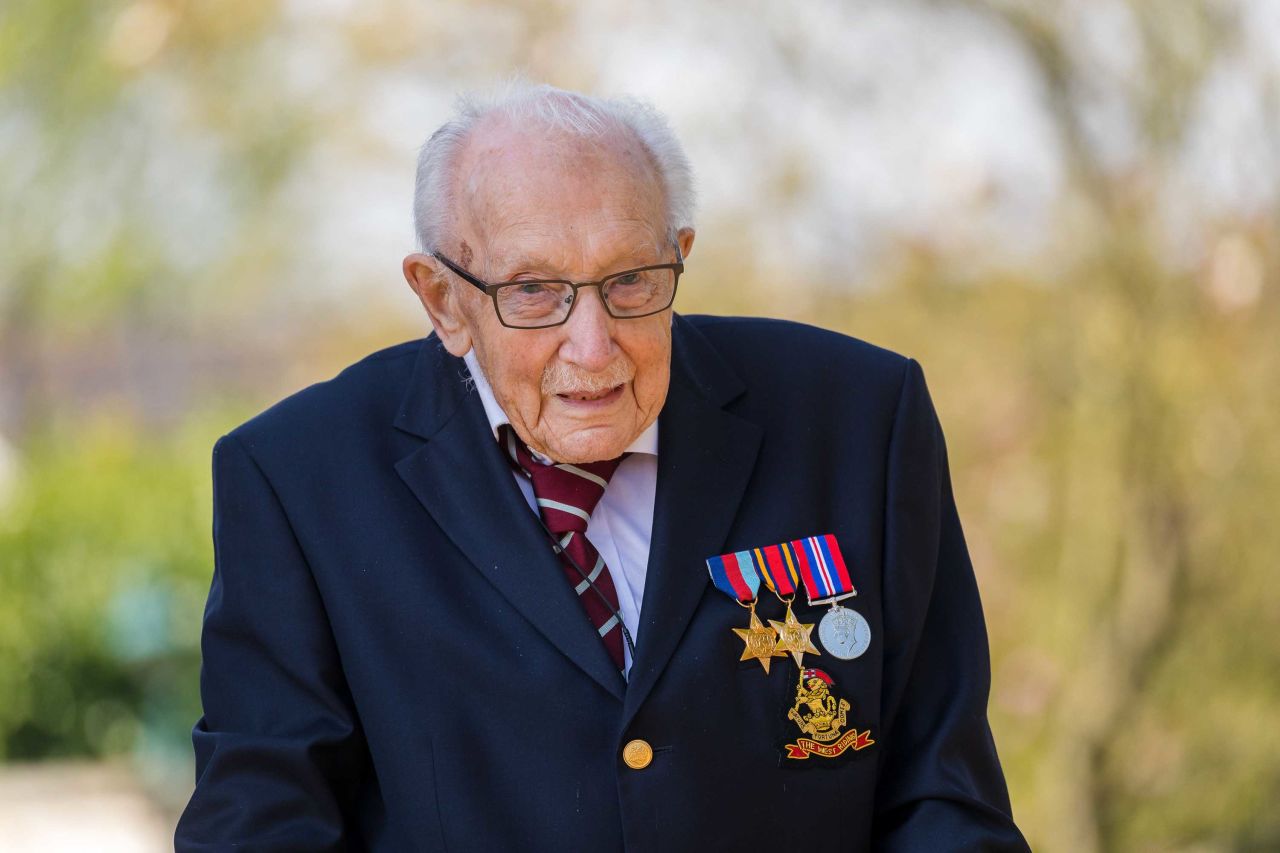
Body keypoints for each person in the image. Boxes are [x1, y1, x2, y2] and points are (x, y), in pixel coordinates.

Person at [175, 82, 1029, 852]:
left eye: (631, 281)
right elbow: (261, 827)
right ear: (443, 299)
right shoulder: (298, 479)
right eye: (535, 291)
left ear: (680, 253)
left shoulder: (858, 419)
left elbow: (943, 797)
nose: (593, 345)